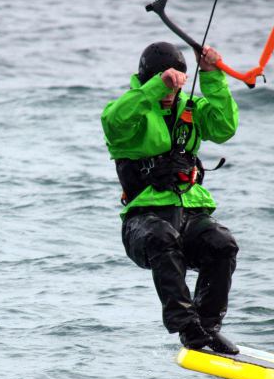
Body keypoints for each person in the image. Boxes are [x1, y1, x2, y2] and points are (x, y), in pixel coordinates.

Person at [101, 41, 240, 355]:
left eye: (174, 83)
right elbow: (114, 121)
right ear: (148, 79)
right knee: (163, 237)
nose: (169, 91)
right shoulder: (131, 109)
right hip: (142, 224)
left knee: (222, 243)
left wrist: (213, 76)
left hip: (187, 215)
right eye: (163, 82)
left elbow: (225, 127)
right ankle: (187, 326)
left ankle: (207, 328)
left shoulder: (191, 108)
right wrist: (155, 88)